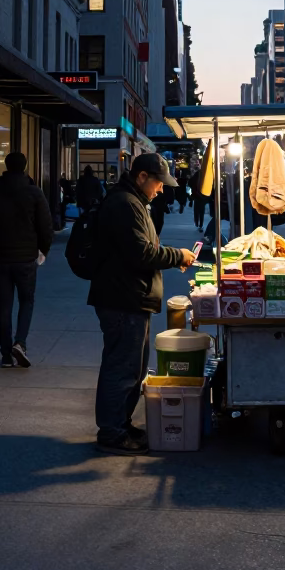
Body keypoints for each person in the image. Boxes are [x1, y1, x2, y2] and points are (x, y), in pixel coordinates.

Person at [88, 152, 197, 452]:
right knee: (122, 368)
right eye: (159, 183)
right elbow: (141, 253)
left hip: (131, 296)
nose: (161, 189)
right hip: (122, 299)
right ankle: (111, 432)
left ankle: (121, 425)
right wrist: (178, 256)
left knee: (131, 369)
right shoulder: (125, 204)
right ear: (142, 178)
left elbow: (145, 248)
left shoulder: (134, 202)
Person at [0, 151, 53, 368]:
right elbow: (45, 226)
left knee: (4, 304)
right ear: (25, 166)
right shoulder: (34, 192)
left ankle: (5, 354)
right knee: (27, 301)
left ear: (6, 166)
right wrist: (43, 250)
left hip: (1, 258)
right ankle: (20, 342)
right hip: (27, 258)